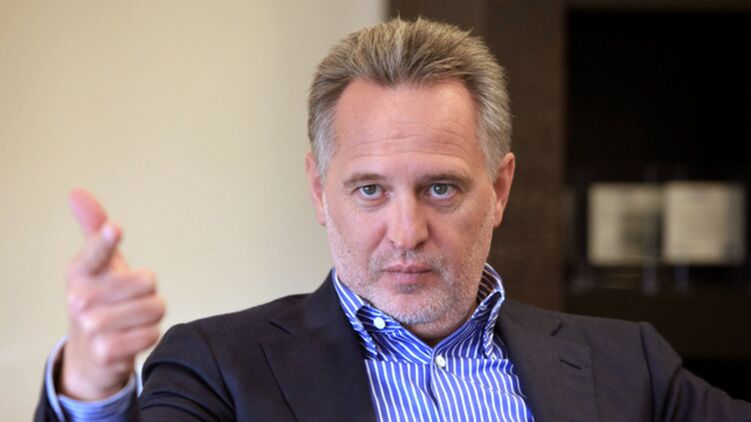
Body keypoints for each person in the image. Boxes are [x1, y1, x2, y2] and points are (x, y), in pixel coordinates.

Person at [35, 17, 750, 422]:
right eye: (370, 190)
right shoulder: (218, 368)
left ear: (500, 189)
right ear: (320, 192)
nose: (406, 233)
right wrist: (92, 383)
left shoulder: (629, 366)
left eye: (440, 188)